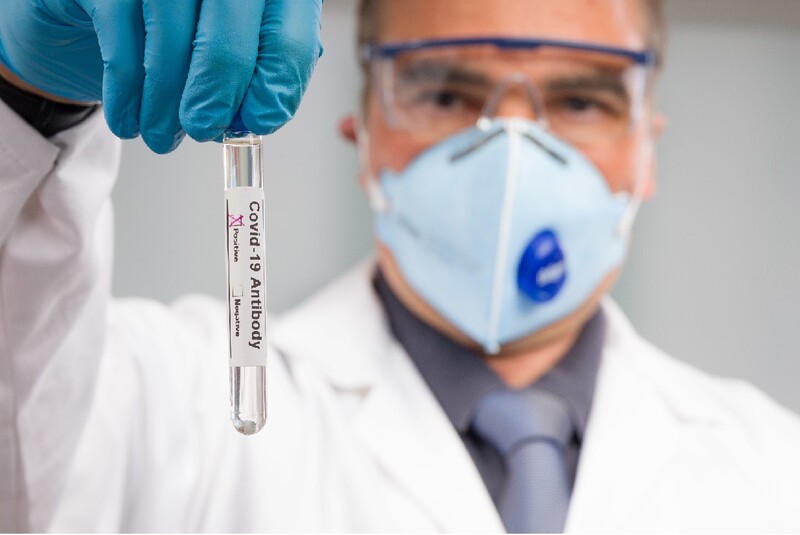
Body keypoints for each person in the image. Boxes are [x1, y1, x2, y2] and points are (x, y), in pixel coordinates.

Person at [1, 0, 799, 532]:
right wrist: (27, 96)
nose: (512, 149)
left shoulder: (775, 472)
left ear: (648, 147)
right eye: (448, 93)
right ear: (363, 133)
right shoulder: (166, 404)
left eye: (581, 103)